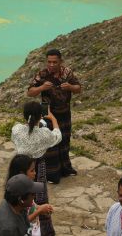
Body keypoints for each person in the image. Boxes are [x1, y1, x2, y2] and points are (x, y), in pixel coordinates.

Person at [26, 49, 81, 183]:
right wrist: (42, 88)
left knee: (65, 141)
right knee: (50, 143)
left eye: (54, 62)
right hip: (47, 113)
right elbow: (30, 92)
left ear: (60, 61)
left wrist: (70, 87)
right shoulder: (42, 74)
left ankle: (65, 169)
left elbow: (79, 88)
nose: (51, 65)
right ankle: (51, 174)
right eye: (49, 62)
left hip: (64, 112)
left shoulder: (67, 73)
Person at [10, 103, 61, 236]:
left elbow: (19, 133)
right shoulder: (44, 134)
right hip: (36, 168)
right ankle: (43, 229)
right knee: (39, 198)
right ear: (40, 116)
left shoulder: (16, 130)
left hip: (19, 169)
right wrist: (53, 119)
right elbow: (57, 136)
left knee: (19, 197)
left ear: (25, 115)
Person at [6, 155, 54, 236]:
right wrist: (39, 211)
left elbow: (31, 206)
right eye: (32, 170)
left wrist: (40, 207)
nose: (35, 173)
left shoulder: (26, 189)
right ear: (22, 173)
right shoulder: (19, 194)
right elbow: (21, 222)